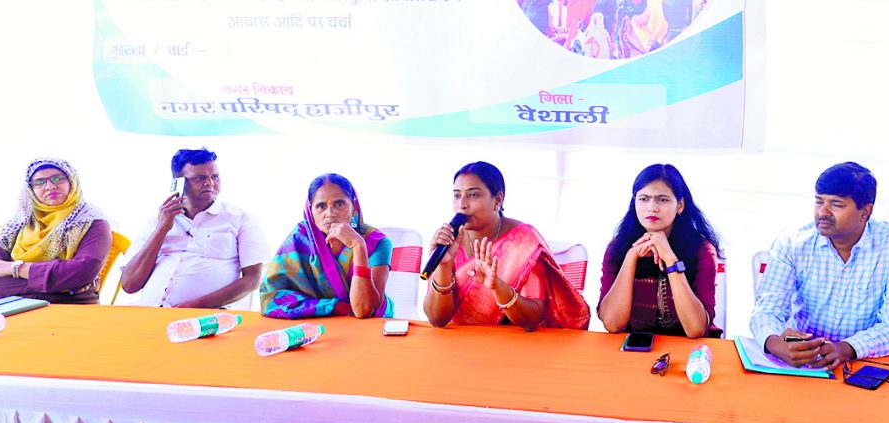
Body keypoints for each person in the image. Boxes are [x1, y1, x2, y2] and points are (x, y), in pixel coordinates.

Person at [750, 162, 889, 370]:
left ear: (865, 212)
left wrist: (847, 348)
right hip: (804, 362)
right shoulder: (793, 242)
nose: (823, 212)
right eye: (819, 201)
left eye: (836, 204)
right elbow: (767, 309)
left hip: (863, 362)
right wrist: (773, 342)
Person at [423, 161, 590, 331]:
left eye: (473, 195)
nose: (462, 204)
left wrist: (497, 286)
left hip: (510, 342)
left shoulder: (523, 241)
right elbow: (437, 319)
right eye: (457, 195)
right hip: (455, 341)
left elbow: (531, 319)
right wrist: (444, 266)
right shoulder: (449, 240)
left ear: (498, 199)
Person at [120, 148, 268, 308]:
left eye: (215, 177)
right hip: (148, 309)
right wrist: (162, 229)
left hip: (206, 315)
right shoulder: (157, 220)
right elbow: (129, 285)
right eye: (199, 178)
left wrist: (198, 304)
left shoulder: (240, 218)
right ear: (177, 183)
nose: (210, 183)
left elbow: (253, 279)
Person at [598, 164, 721, 338]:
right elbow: (612, 324)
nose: (652, 207)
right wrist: (631, 257)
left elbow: (695, 329)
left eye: (662, 200)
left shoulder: (702, 250)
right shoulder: (617, 247)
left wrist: (670, 259)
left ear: (680, 205)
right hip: (636, 348)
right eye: (644, 199)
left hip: (692, 350)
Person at [260, 173, 396, 318]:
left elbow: (364, 309)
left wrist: (358, 246)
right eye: (321, 206)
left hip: (372, 323)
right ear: (310, 211)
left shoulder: (376, 242)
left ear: (354, 208)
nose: (330, 213)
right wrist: (332, 307)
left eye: (339, 204)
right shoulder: (299, 240)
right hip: (318, 320)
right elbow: (269, 297)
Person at [0, 158, 112, 304]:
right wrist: (59, 283)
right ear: (30, 189)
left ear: (72, 181)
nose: (50, 186)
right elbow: (73, 281)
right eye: (40, 182)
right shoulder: (15, 226)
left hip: (69, 306)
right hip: (11, 306)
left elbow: (82, 272)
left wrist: (14, 269)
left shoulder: (92, 222)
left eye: (58, 178)